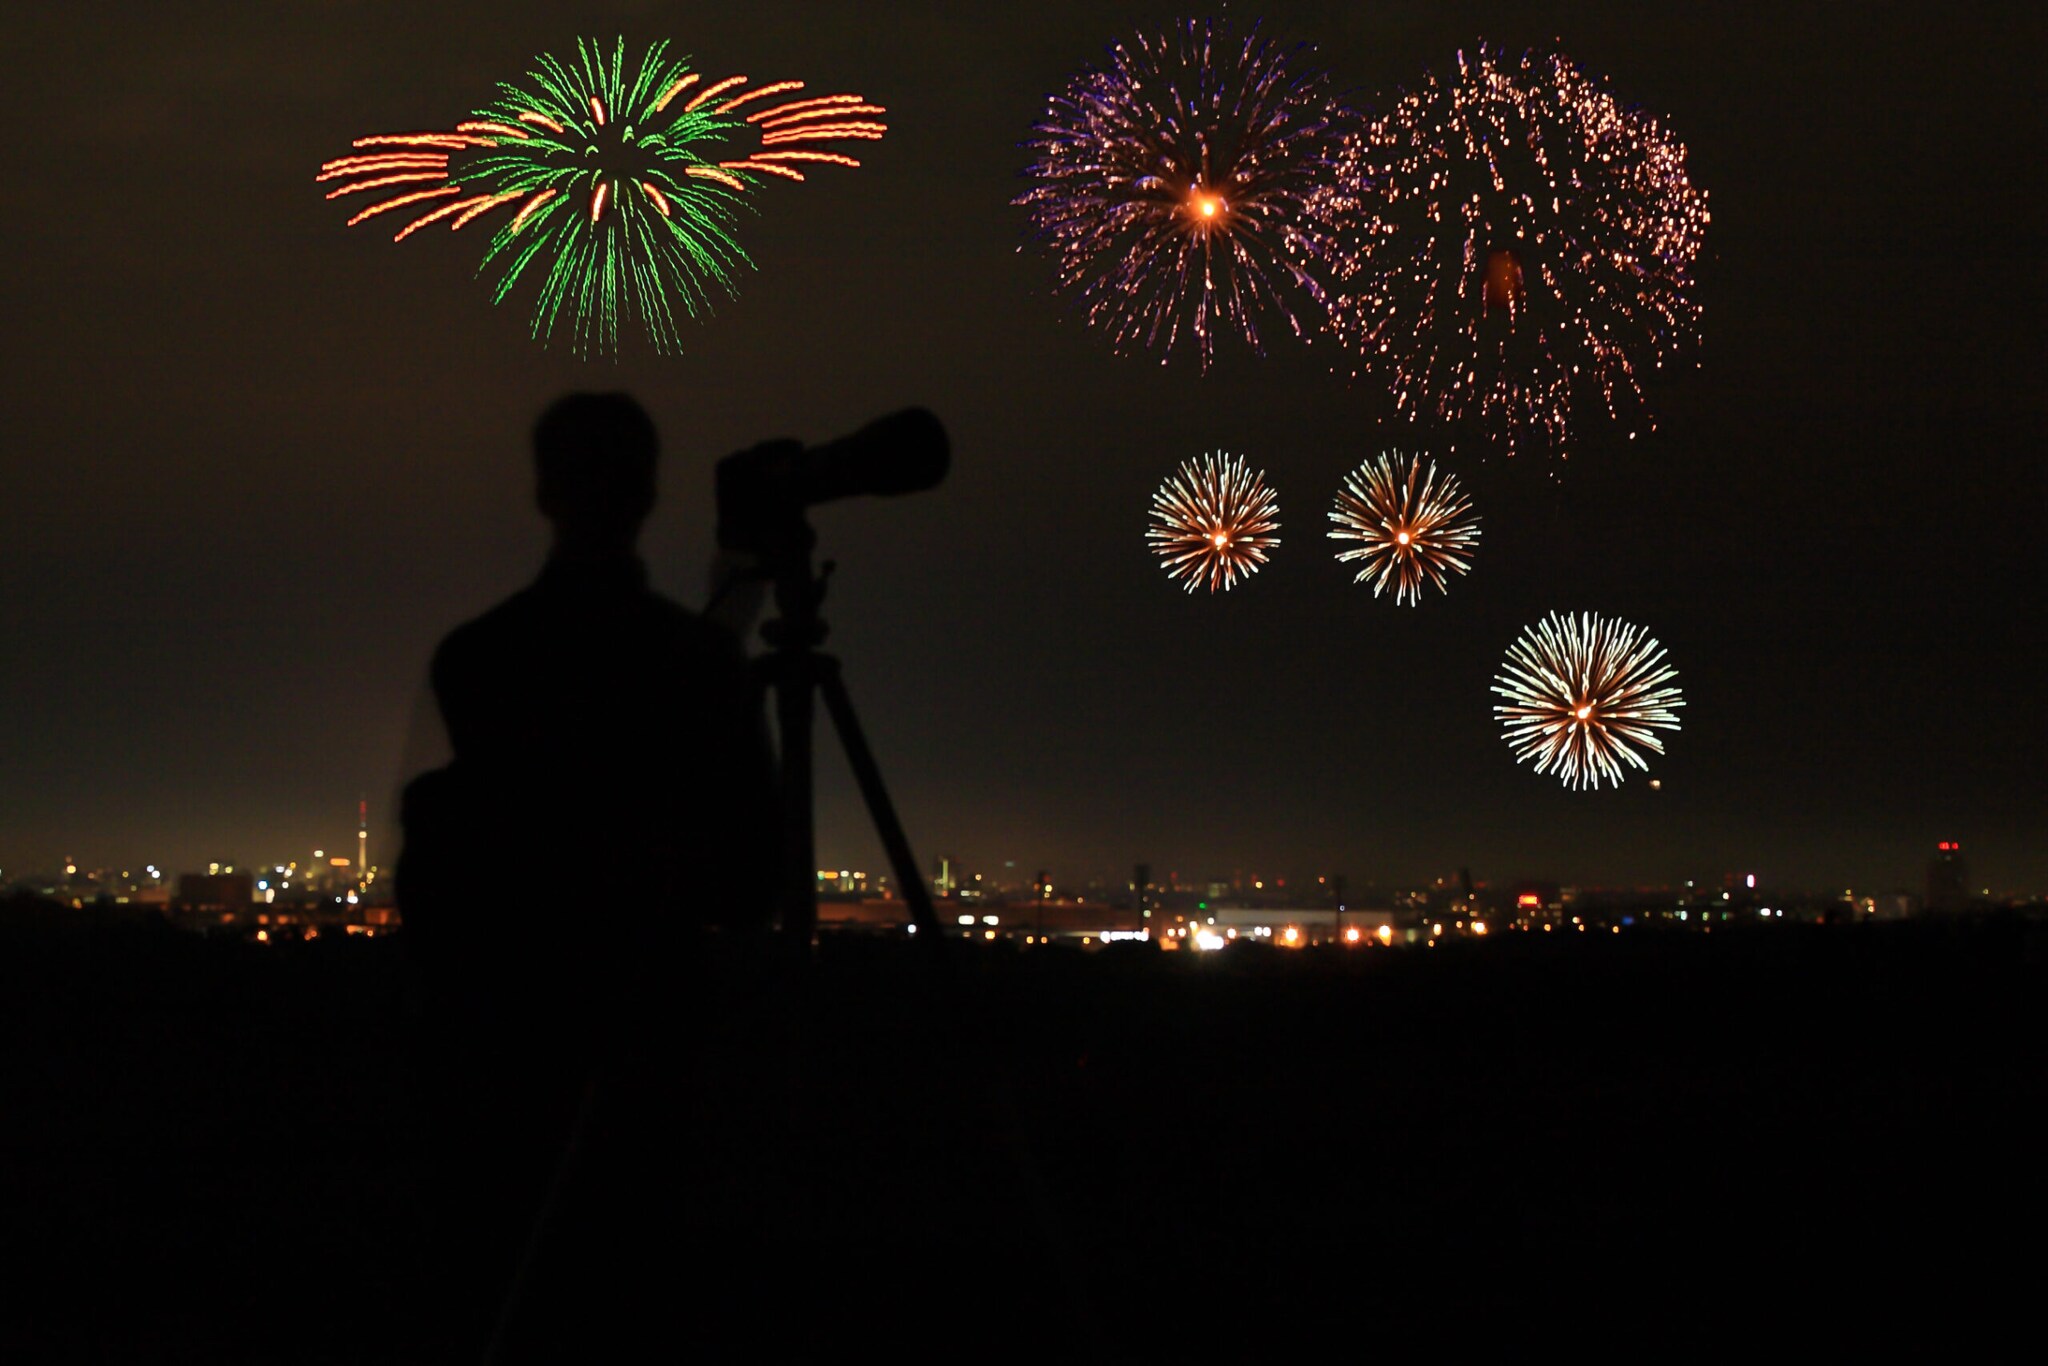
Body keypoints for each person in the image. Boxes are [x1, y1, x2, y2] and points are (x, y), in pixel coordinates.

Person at [394, 392, 779, 1360]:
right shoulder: (698, 666)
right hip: (655, 1071)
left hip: (497, 1063)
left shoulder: (476, 659)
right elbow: (748, 883)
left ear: (543, 490)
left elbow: (445, 874)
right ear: (650, 493)